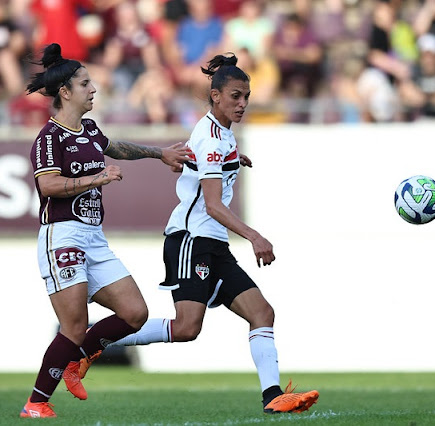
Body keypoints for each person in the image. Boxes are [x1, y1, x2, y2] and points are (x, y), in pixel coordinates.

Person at [78, 53, 320, 414]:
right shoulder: (211, 137)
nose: (242, 104)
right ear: (216, 96)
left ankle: (273, 398)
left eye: (247, 97)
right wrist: (254, 235)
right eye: (236, 96)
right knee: (187, 327)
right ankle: (94, 340)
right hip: (191, 240)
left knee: (262, 313)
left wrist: (234, 160)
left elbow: (212, 164)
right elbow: (212, 205)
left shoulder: (221, 135)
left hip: (212, 244)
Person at [20, 42, 190, 418]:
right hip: (61, 234)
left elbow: (115, 147)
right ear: (65, 92)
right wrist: (98, 177)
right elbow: (47, 186)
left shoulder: (89, 130)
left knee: (134, 312)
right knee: (75, 323)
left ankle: (76, 361)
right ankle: (36, 402)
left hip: (93, 238)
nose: (93, 89)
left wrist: (158, 153)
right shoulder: (49, 138)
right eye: (85, 83)